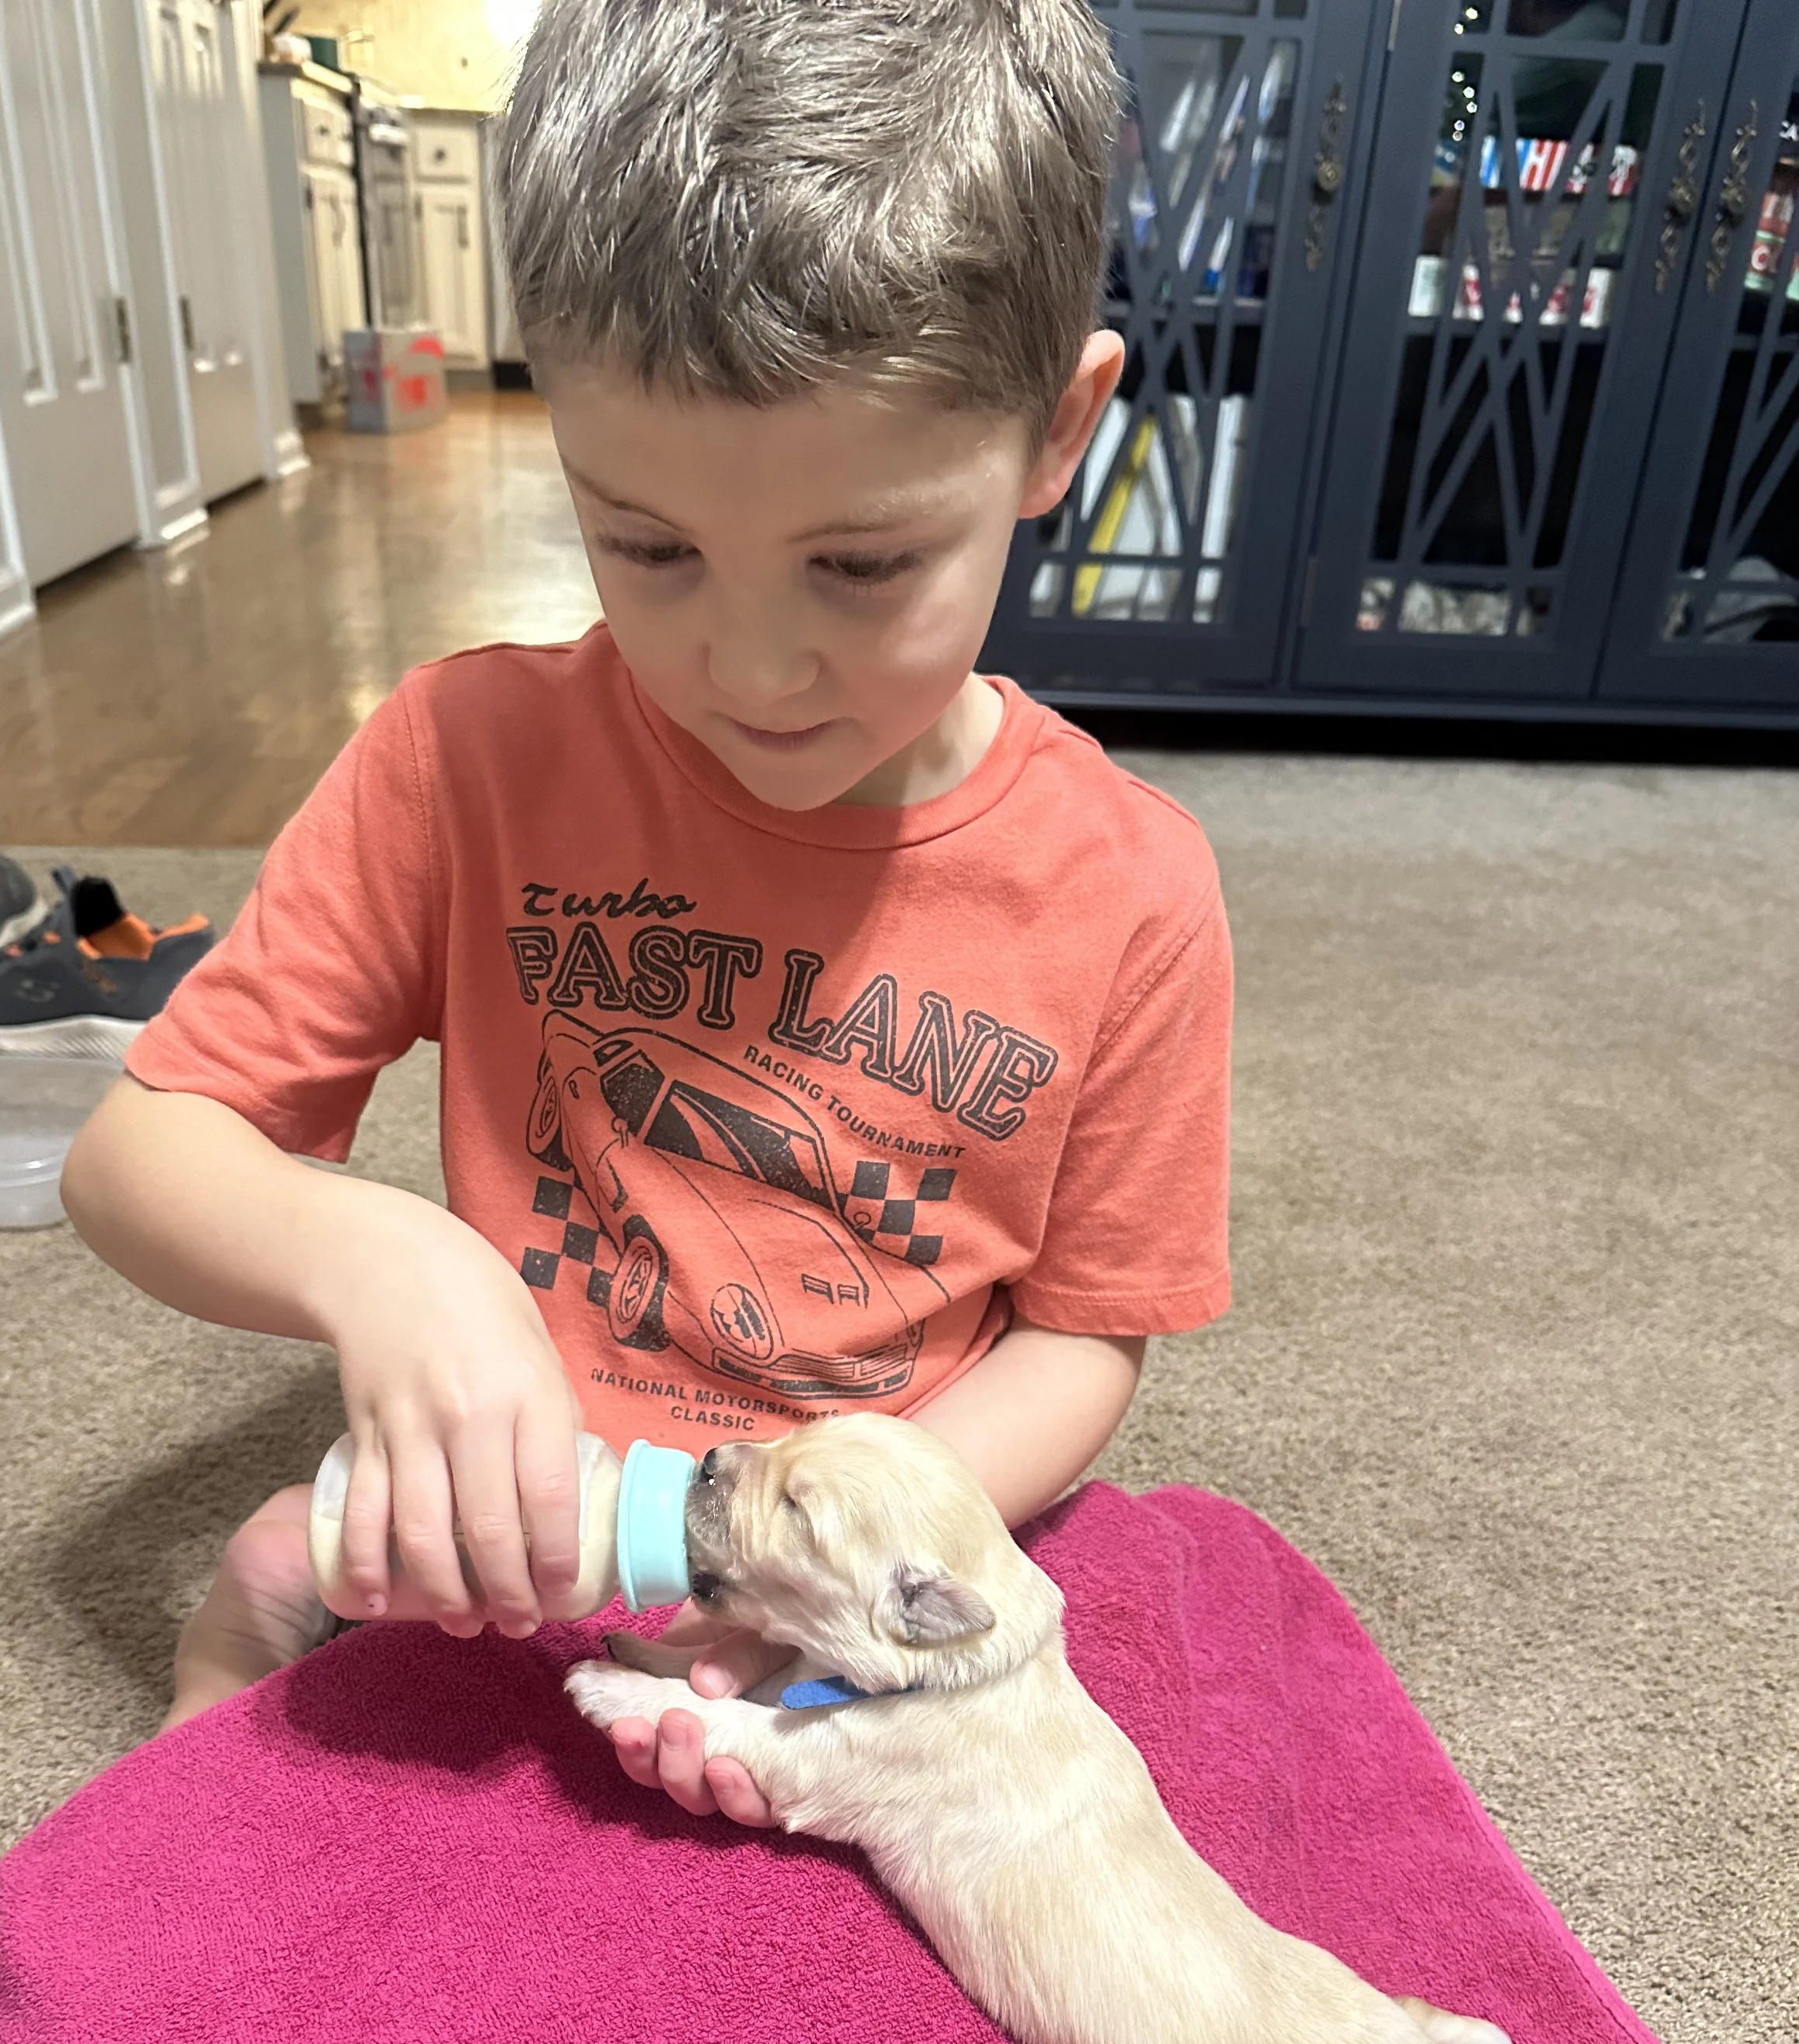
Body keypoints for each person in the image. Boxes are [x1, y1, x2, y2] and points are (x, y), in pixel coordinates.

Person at [61, 0, 1233, 1827]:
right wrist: (390, 1262)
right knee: (273, 1604)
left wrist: (854, 1547)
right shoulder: (463, 756)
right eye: (647, 544)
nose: (749, 663)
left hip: (867, 1523)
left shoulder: (1131, 890)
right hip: (520, 1532)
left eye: (862, 565)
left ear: (1052, 433)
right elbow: (134, 1159)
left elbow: (1084, 1338)